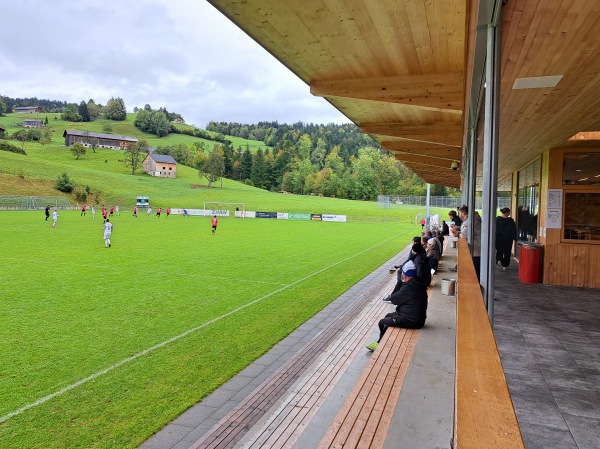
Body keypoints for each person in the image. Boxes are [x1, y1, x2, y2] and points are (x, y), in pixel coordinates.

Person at [366, 260, 428, 351]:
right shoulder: (416, 283)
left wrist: (399, 282)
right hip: (416, 317)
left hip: (412, 320)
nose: (401, 274)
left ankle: (379, 345)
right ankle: (381, 342)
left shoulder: (409, 287)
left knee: (382, 322)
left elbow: (394, 299)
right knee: (388, 316)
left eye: (402, 273)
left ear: (406, 275)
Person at [451, 205, 482, 281]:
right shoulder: (471, 219)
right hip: (475, 249)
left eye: (460, 213)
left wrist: (458, 234)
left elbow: (465, 234)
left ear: (463, 213)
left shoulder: (473, 220)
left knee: (475, 273)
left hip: (476, 251)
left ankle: (476, 290)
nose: (459, 215)